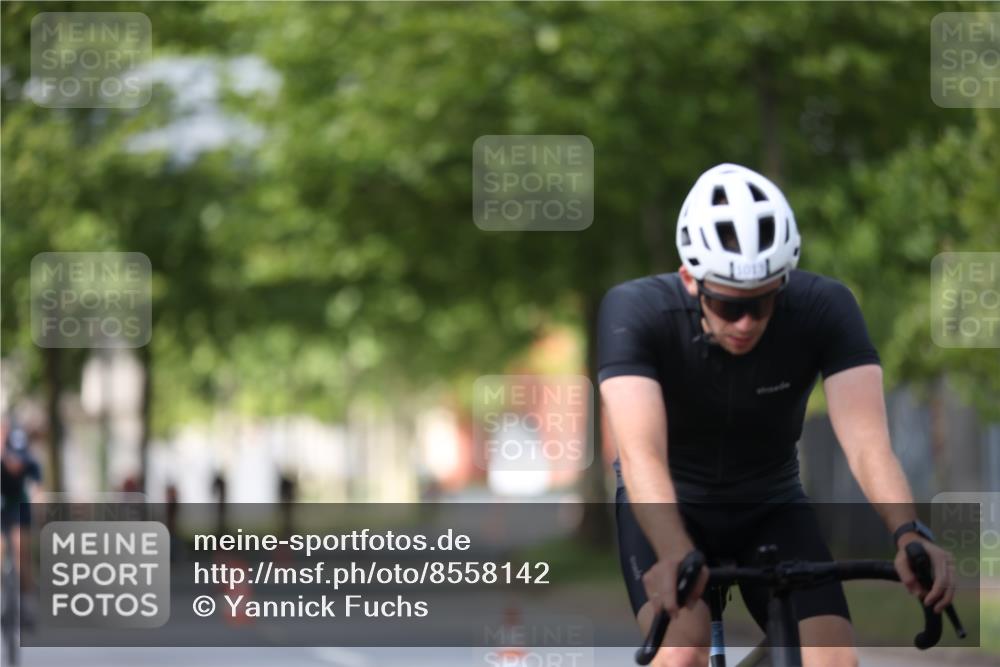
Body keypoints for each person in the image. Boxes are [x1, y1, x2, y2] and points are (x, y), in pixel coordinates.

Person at [598, 163, 956, 667]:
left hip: (771, 504)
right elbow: (641, 454)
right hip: (672, 504)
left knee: (834, 659)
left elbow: (868, 445)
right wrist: (675, 549)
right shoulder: (635, 312)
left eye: (763, 303)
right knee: (682, 649)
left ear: (783, 282)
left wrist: (909, 533)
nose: (745, 323)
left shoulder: (824, 307)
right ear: (690, 280)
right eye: (728, 306)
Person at [0, 424, 43, 601]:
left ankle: (26, 595)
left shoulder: (31, 464)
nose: (17, 463)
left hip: (20, 507)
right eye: (13, 458)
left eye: (20, 459)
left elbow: (37, 489)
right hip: (2, 507)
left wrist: (37, 501)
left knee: (21, 548)